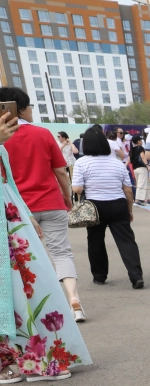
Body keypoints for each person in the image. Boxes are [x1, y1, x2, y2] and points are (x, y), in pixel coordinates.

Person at [0, 108, 91, 383]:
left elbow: (9, 185)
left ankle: (35, 359)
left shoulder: (7, 145)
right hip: (16, 217)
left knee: (26, 286)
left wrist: (25, 215)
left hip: (13, 219)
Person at [0, 87, 84, 319]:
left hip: (16, 209)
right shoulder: (43, 133)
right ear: (22, 109)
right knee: (61, 253)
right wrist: (66, 196)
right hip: (51, 202)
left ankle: (37, 309)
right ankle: (74, 300)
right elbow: (60, 171)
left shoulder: (3, 139)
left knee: (24, 259)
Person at [71, 125, 143, 289]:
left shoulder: (82, 162)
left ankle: (99, 276)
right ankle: (136, 276)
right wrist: (129, 210)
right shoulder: (117, 163)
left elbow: (77, 189)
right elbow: (128, 191)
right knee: (126, 241)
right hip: (118, 205)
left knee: (95, 241)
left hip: (94, 207)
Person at [130, 134, 150, 205]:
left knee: (142, 183)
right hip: (141, 167)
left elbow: (128, 159)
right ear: (138, 141)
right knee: (141, 184)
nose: (142, 141)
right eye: (140, 140)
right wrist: (147, 165)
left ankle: (147, 198)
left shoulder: (132, 149)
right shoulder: (140, 148)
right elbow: (143, 157)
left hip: (135, 168)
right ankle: (137, 200)